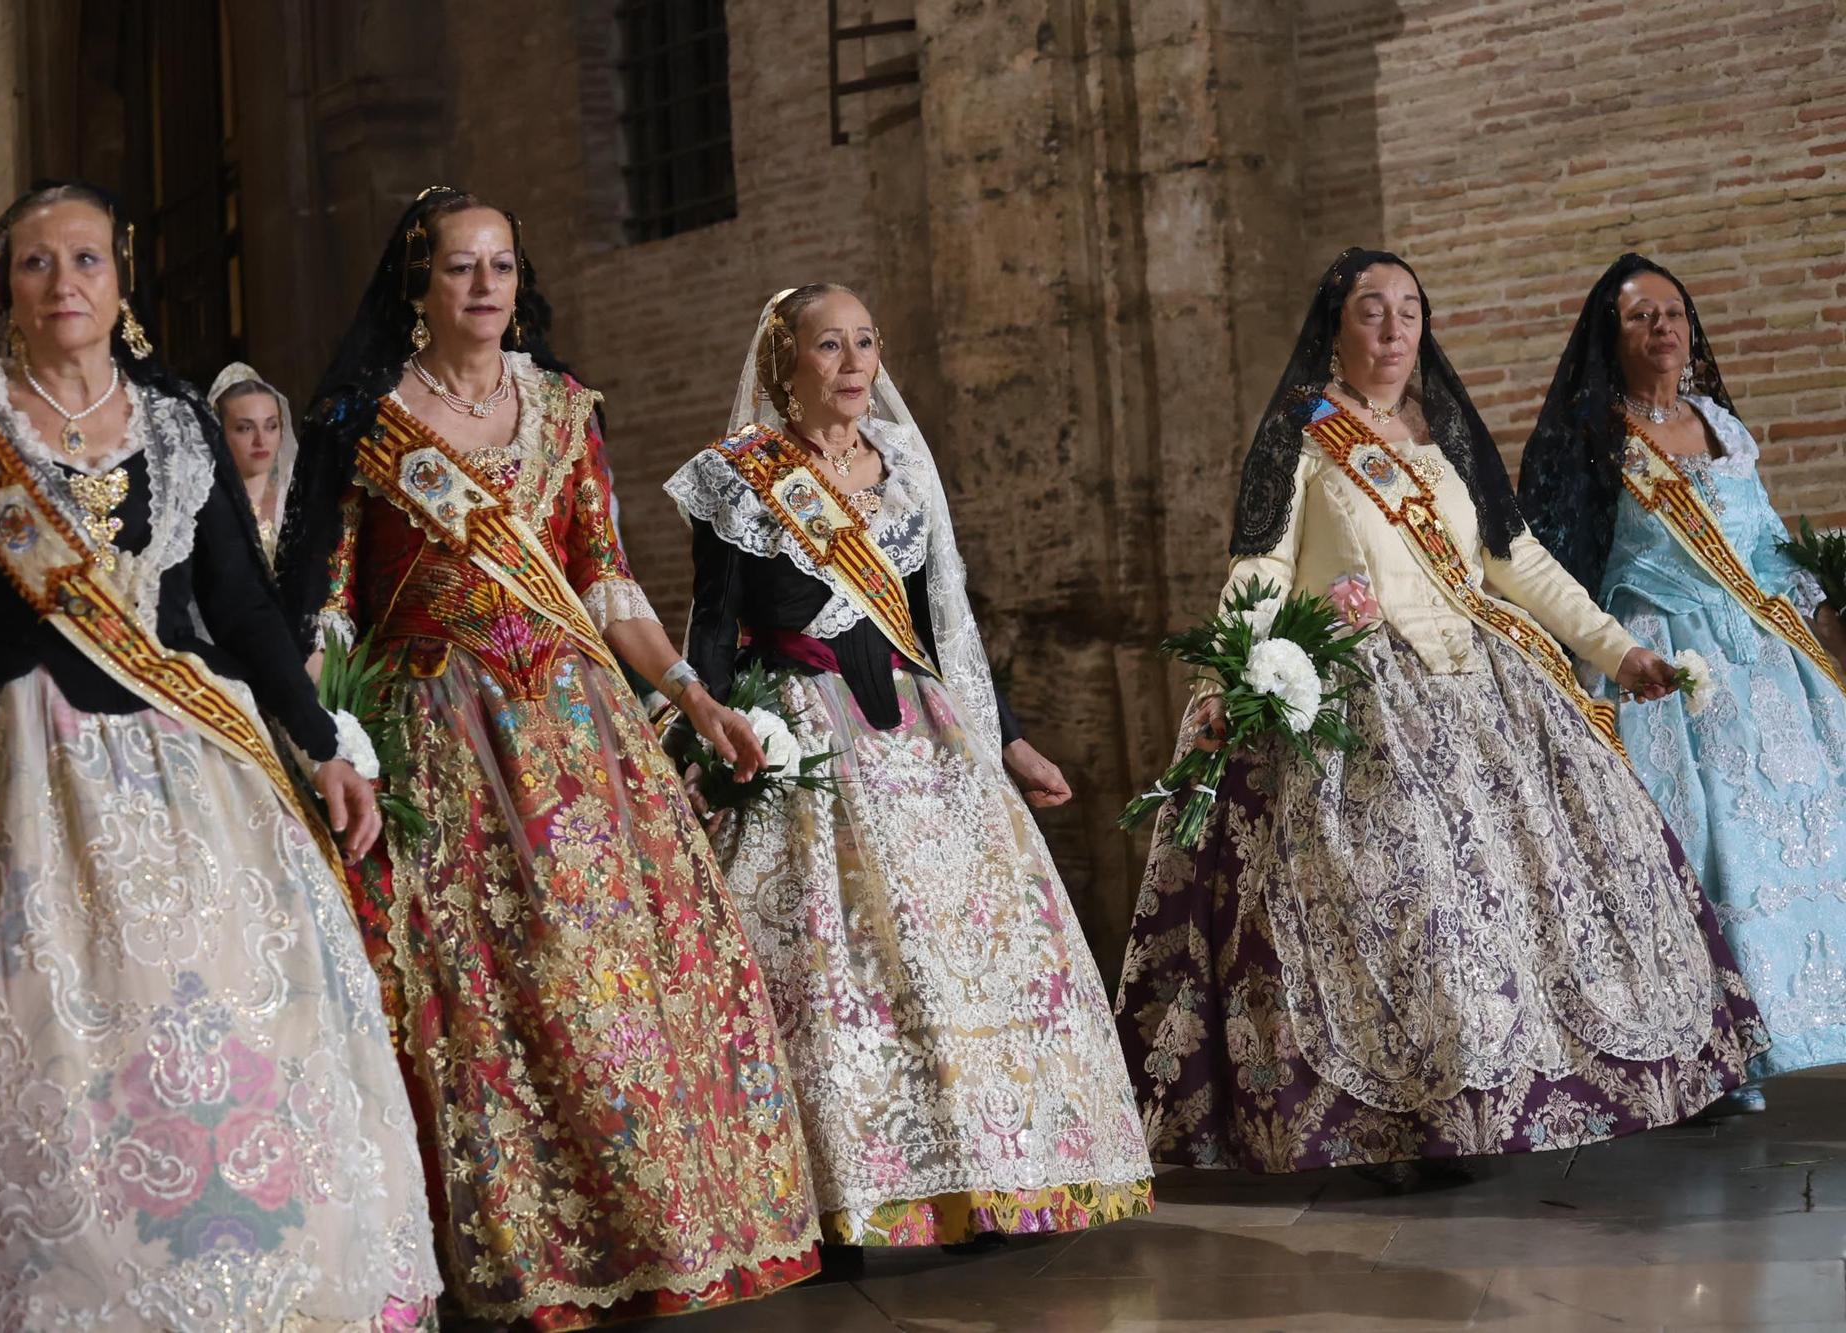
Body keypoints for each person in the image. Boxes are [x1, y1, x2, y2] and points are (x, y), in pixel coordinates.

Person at [0, 181, 438, 1329]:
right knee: (38, 1041)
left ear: (120, 284)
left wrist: (322, 743)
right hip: (16, 770)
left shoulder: (171, 422)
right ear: (5, 291)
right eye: (33, 264)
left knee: (224, 1014)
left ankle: (241, 1287)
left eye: (83, 261)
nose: (61, 283)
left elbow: (243, 609)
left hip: (185, 766)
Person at [274, 187, 820, 1326]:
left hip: (578, 740)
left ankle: (659, 1232)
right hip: (437, 742)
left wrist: (689, 694)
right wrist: (334, 737)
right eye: (461, 268)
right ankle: (520, 1250)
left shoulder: (567, 410)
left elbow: (605, 581)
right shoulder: (365, 423)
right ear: (417, 287)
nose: (484, 287)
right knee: (483, 998)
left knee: (613, 976)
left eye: (503, 267)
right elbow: (326, 609)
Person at [1112, 247, 1768, 1182]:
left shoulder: (1444, 428)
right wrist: (1228, 677)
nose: (1393, 329)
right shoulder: (1302, 436)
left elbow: (1517, 560)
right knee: (1406, 898)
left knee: (1506, 896)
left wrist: (1620, 650)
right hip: (1357, 689)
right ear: (1334, 329)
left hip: (1478, 683)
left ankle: (1483, 1104)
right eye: (1372, 311)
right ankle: (1393, 1120)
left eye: (1409, 311)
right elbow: (1258, 567)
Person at [664, 284, 1154, 1251]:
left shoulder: (908, 479)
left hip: (927, 741)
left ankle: (1002, 1170)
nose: (853, 363)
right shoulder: (737, 479)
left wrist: (1009, 741)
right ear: (784, 363)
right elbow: (713, 625)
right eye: (828, 345)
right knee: (841, 962)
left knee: (974, 950)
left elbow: (945, 633)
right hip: (806, 738)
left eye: (866, 343)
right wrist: (701, 740)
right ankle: (858, 1188)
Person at [1519, 253, 1846, 1108]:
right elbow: (1557, 556)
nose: (1662, 327)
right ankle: (1715, 1054)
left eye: (1673, 313)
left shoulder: (1723, 428)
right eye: (1640, 316)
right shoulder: (1593, 439)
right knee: (1701, 848)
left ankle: (1806, 1016)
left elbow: (1766, 539)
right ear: (1610, 336)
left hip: (1761, 656)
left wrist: (1818, 608)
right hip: (1662, 666)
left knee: (1809, 829)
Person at [210, 362, 297, 561]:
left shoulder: (295, 506)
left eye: (271, 426)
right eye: (245, 428)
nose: (261, 440)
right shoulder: (205, 511)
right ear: (219, 432)